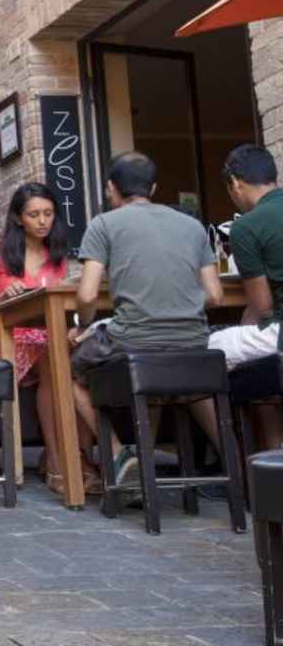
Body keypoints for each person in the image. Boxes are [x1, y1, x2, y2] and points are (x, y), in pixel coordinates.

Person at [69, 152, 224, 495]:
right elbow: (215, 295)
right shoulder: (191, 225)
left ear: (111, 187)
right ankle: (238, 467)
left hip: (134, 341)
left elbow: (88, 294)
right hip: (193, 342)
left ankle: (121, 456)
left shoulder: (103, 224)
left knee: (72, 375)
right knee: (183, 378)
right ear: (154, 188)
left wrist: (82, 326)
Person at [0, 183, 77, 494]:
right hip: (6, 337)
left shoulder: (57, 256)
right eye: (34, 215)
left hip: (47, 337)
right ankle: (58, 462)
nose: (43, 221)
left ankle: (71, 459)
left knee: (64, 358)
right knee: (51, 358)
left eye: (48, 213)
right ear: (19, 218)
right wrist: (3, 297)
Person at [208, 145, 283, 449]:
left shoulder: (246, 227)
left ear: (236, 183)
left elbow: (263, 307)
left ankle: (245, 455)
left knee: (210, 348)